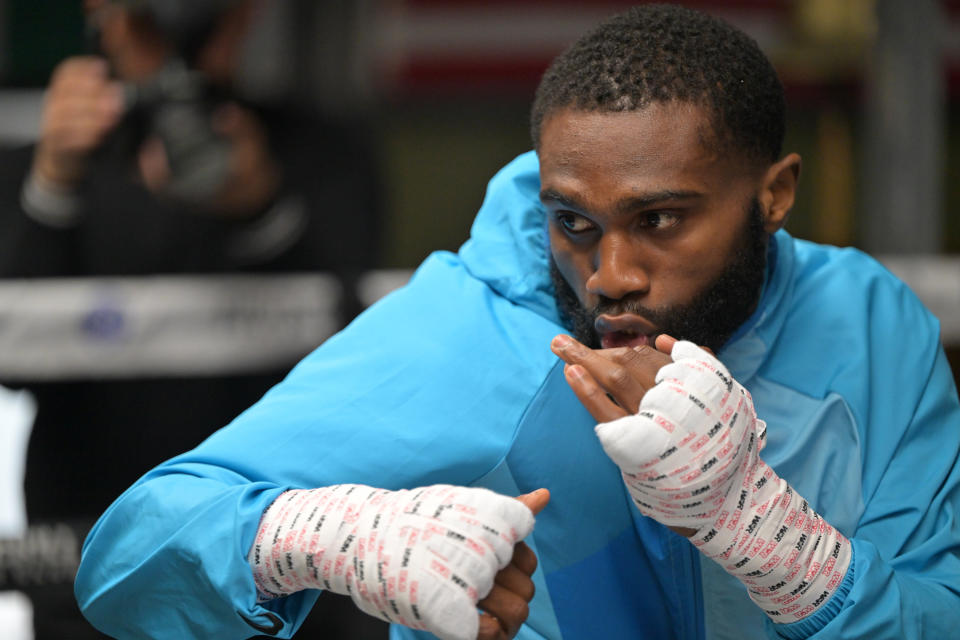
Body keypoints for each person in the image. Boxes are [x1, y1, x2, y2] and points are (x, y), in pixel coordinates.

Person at [75, 4, 960, 639]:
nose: (611, 276)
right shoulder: (474, 331)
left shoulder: (868, 320)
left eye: (660, 220)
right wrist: (331, 538)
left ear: (774, 195)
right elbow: (126, 560)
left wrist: (770, 538)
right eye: (574, 222)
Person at [0, 0, 381, 637]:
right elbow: (10, 363)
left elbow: (356, 354)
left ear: (246, 18)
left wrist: (262, 211)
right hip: (90, 550)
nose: (182, 46)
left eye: (208, 16)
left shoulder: (321, 151)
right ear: (105, 15)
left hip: (283, 556)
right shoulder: (38, 162)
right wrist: (51, 186)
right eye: (156, 19)